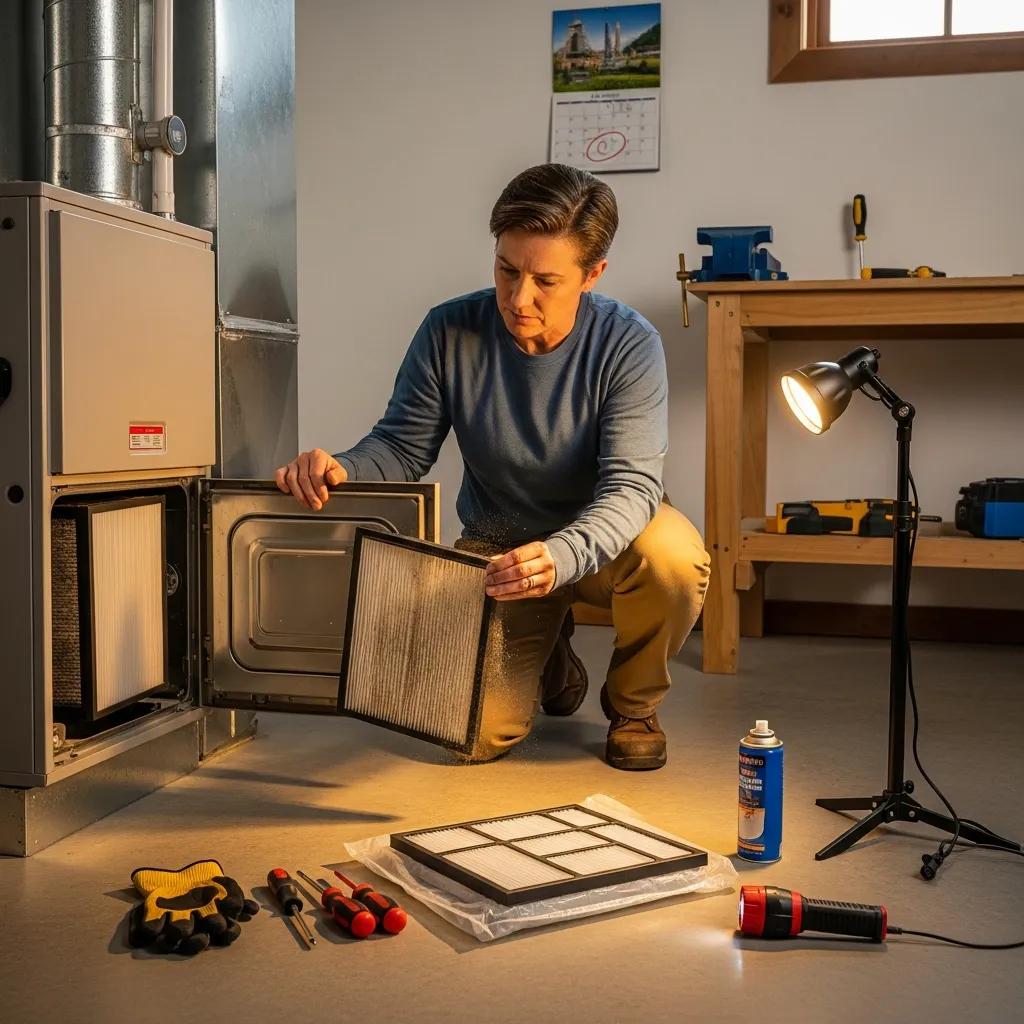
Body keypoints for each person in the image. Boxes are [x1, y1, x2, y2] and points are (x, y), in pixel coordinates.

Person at [276, 163, 710, 770]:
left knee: (674, 557)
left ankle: (634, 703)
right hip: (502, 551)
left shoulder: (629, 344)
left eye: (545, 281)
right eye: (507, 270)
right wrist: (342, 468)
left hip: (605, 544)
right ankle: (552, 655)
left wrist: (560, 557)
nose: (518, 297)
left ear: (592, 275)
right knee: (472, 736)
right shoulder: (449, 328)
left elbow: (633, 487)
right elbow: (402, 448)